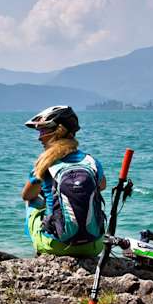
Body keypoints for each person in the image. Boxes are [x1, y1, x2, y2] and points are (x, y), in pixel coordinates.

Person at [20, 105, 107, 257]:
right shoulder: (91, 161)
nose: (39, 137)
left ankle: (41, 252)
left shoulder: (45, 164)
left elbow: (26, 195)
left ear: (57, 131)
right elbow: (102, 186)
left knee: (32, 202)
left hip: (57, 247)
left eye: (43, 131)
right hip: (94, 246)